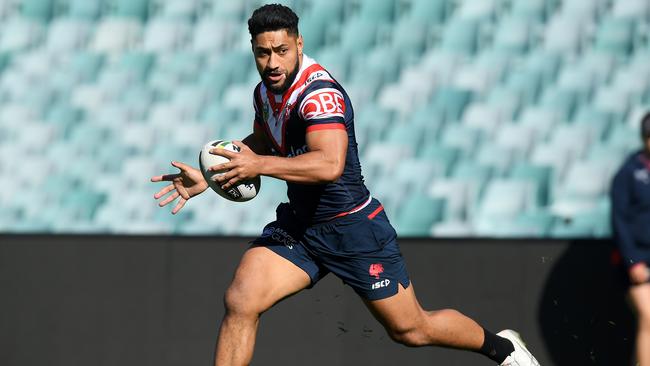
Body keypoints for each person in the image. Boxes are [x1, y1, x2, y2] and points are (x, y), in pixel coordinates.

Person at [151, 4, 540, 366]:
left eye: (281, 50)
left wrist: (261, 165)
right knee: (241, 298)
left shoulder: (319, 96)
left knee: (411, 329)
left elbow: (329, 164)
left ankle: (503, 348)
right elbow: (266, 140)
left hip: (353, 227)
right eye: (262, 53)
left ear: (299, 43)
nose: (272, 62)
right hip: (302, 227)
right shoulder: (265, 92)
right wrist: (212, 173)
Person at [611, 112, 650, 366]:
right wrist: (633, 261)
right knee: (649, 317)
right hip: (638, 260)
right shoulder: (629, 172)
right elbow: (620, 220)